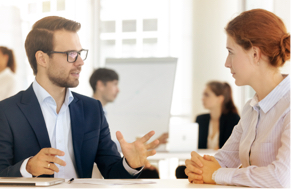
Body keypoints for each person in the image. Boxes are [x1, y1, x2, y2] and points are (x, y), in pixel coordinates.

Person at [0, 16, 159, 179]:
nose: (80, 62)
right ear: (42, 58)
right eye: (71, 54)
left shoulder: (93, 109)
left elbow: (112, 171)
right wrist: (28, 167)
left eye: (80, 53)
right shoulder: (5, 113)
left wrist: (130, 164)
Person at [185, 9, 290, 187]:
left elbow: (281, 178)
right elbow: (224, 159)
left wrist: (217, 174)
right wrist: (200, 168)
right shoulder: (251, 108)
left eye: (231, 52)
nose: (227, 63)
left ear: (255, 54)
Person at [89, 68, 169, 178]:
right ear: (100, 85)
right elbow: (101, 146)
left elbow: (105, 144)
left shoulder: (101, 111)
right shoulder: (89, 112)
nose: (118, 90)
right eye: (114, 84)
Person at [175, 81, 239, 178]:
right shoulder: (201, 119)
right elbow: (197, 147)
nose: (202, 98)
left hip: (222, 167)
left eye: (207, 95)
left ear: (220, 99)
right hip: (203, 163)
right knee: (182, 170)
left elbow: (231, 152)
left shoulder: (233, 119)